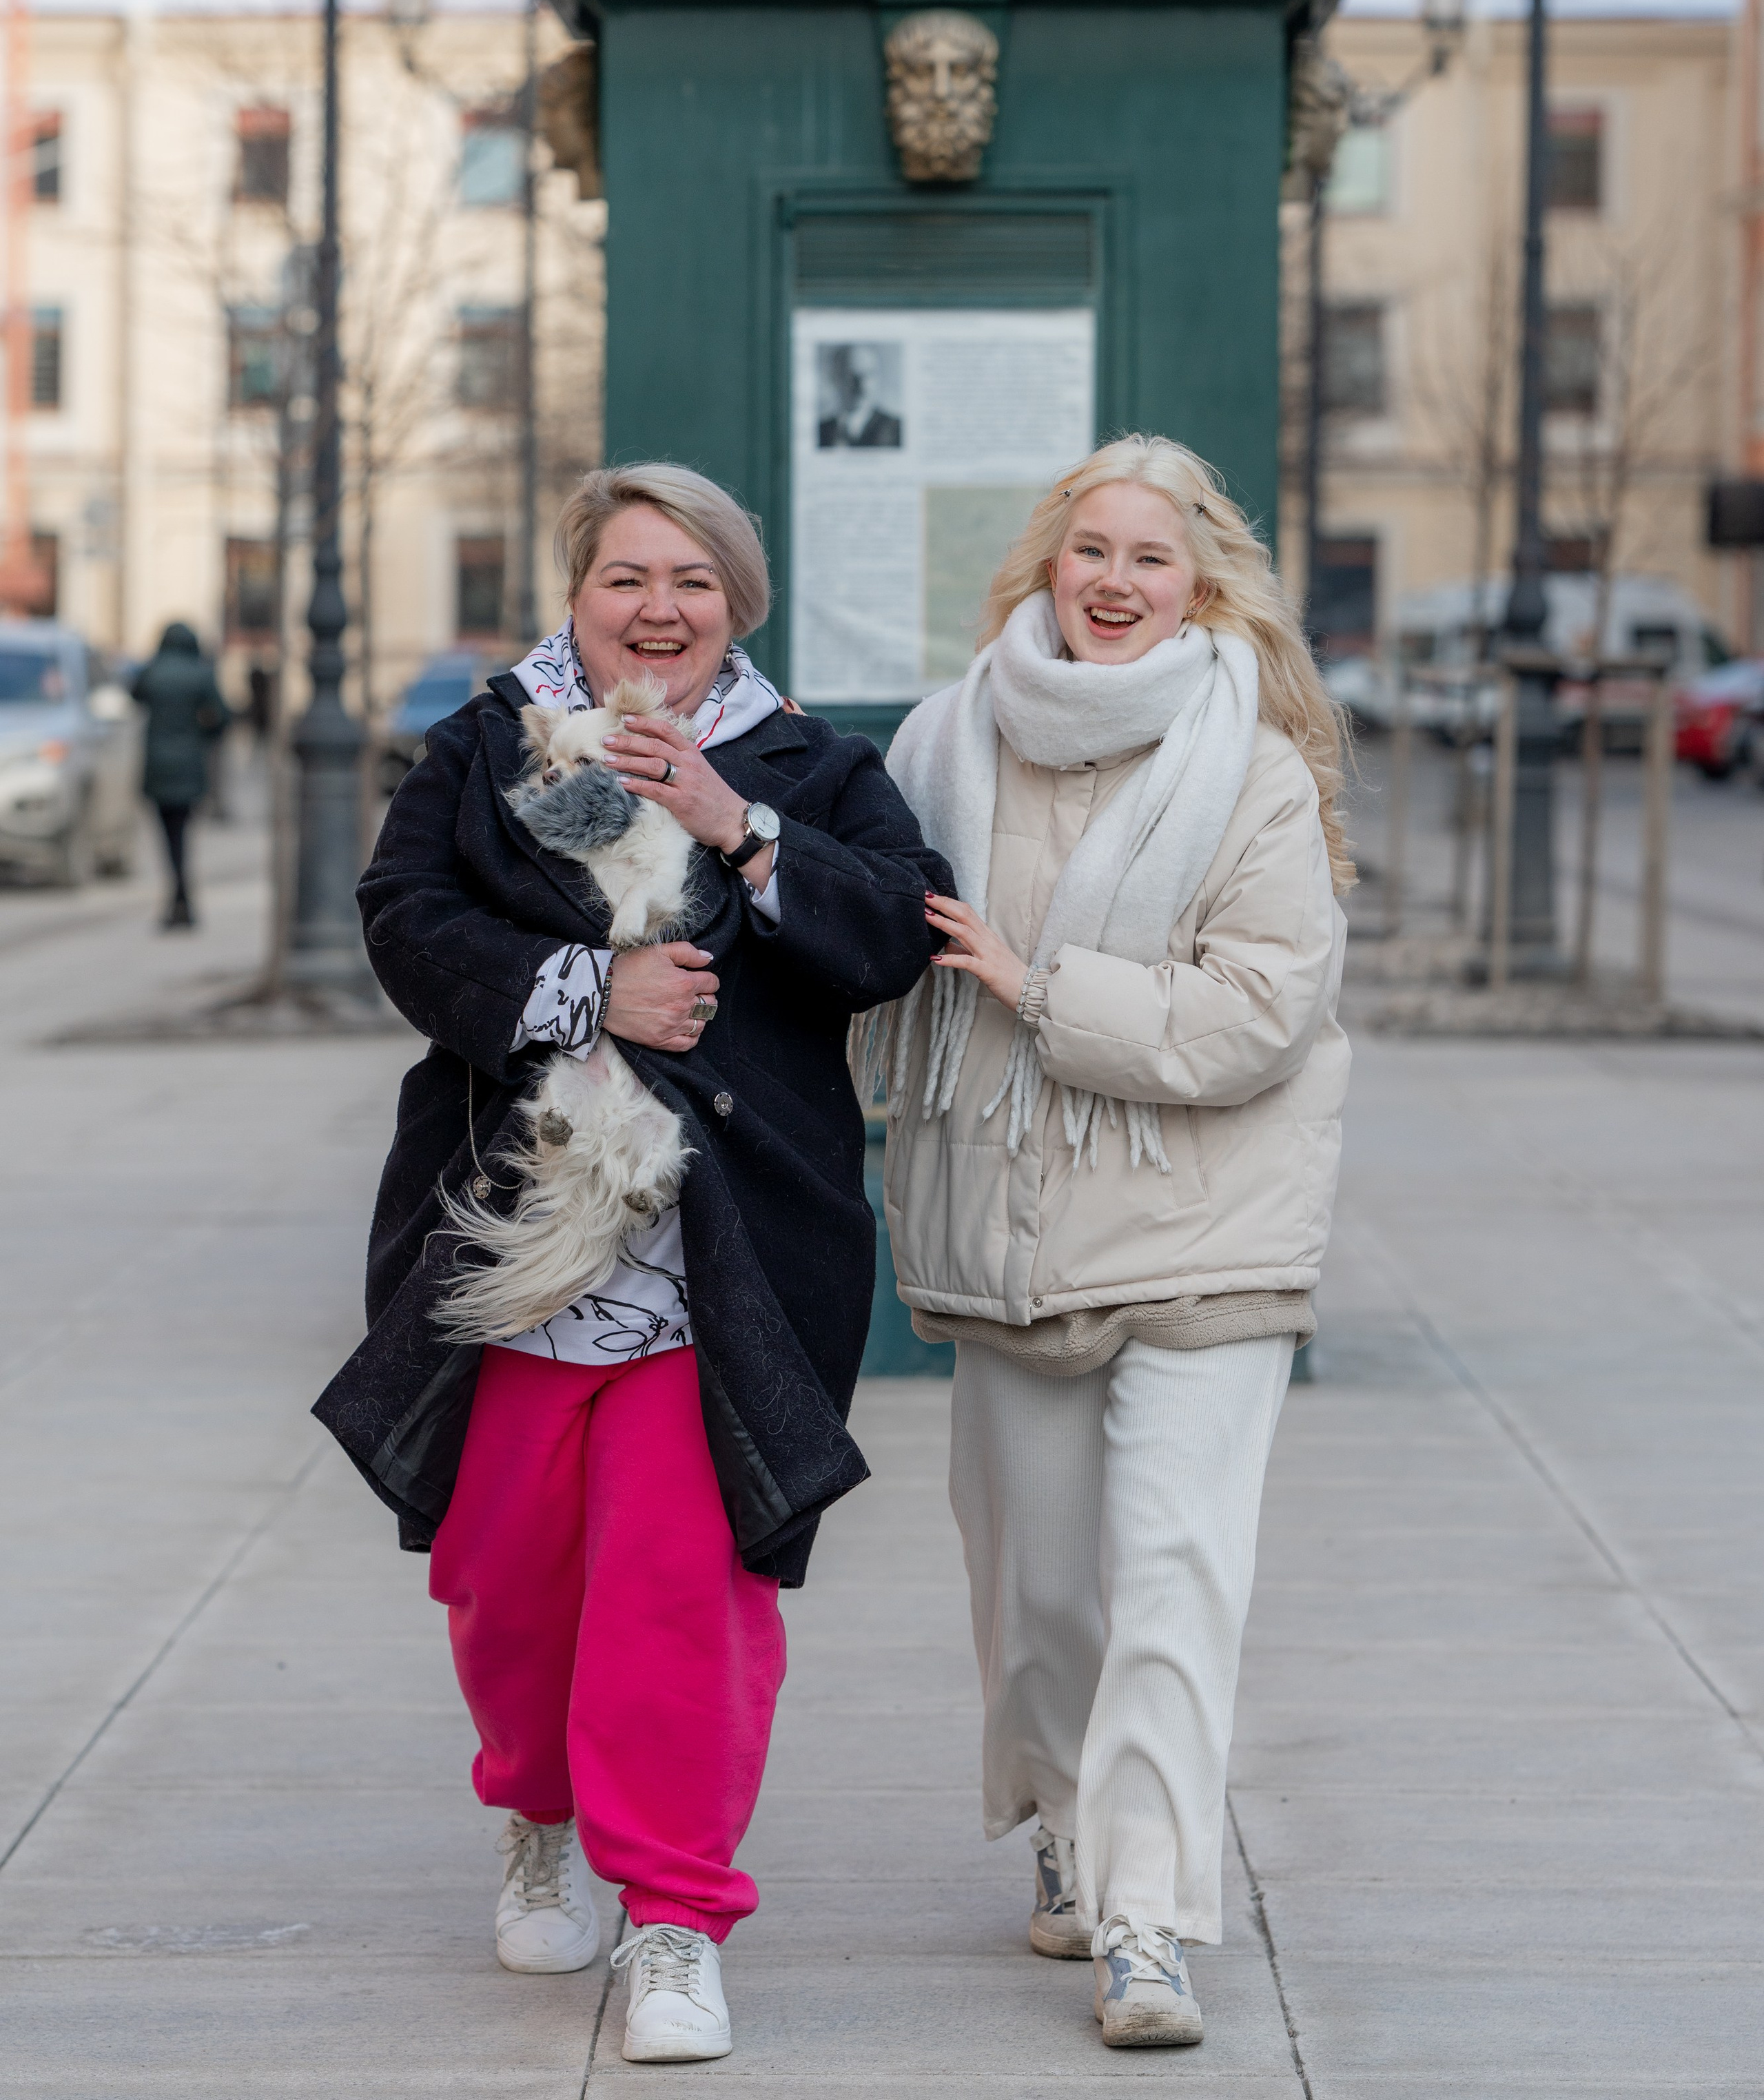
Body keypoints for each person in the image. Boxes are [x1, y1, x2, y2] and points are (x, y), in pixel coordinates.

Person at [314, 462, 950, 2066]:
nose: (656, 609)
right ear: (575, 595)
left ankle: (675, 1916)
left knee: (682, 1597)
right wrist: (587, 988)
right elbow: (403, 918)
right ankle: (536, 1816)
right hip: (517, 1239)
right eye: (624, 577)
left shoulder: (809, 763)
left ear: (737, 604)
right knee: (507, 1583)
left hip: (723, 1253)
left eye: (691, 580)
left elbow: (895, 929)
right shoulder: (486, 746)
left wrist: (734, 825)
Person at [874, 434, 1352, 2051]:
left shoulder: (1254, 767)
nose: (1115, 580)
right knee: (1038, 1601)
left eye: (1151, 556)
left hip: (1207, 1229)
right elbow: (869, 956)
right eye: (1091, 548)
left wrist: (1033, 985)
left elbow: (1259, 1009)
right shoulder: (942, 744)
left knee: (1169, 1586)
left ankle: (1145, 1920)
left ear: (1200, 586)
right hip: (1006, 1233)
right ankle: (1068, 1829)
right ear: (1045, 564)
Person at [129, 622, 232, 929]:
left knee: (168, 835)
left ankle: (178, 897)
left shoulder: (152, 671)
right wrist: (203, 736)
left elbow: (134, 695)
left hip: (158, 765)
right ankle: (182, 898)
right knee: (182, 833)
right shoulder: (200, 673)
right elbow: (223, 716)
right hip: (189, 763)